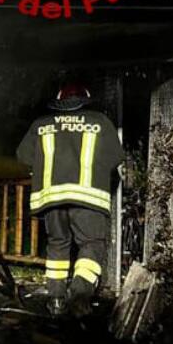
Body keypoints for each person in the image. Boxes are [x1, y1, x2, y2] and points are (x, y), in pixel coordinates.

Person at [16, 82, 123, 317]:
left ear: (59, 102)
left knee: (57, 244)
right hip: (89, 197)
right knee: (92, 244)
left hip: (52, 197)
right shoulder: (100, 122)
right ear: (85, 100)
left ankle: (55, 299)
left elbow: (23, 156)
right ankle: (79, 296)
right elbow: (116, 157)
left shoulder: (41, 124)